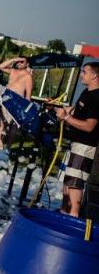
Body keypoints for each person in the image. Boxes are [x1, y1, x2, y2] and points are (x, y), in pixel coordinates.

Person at [56, 62, 99, 217]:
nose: (81, 75)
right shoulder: (86, 92)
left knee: (75, 183)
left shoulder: (97, 97)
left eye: (84, 72)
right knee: (67, 180)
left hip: (85, 146)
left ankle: (73, 216)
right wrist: (62, 110)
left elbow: (89, 126)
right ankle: (63, 212)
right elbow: (76, 112)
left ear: (94, 75)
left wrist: (66, 117)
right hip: (74, 143)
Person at [0, 56, 33, 149]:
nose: (19, 63)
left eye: (22, 62)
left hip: (17, 103)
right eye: (18, 61)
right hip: (6, 100)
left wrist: (25, 109)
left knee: (13, 126)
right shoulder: (13, 71)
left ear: (27, 64)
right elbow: (0, 66)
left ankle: (8, 147)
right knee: (3, 123)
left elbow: (28, 95)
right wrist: (13, 59)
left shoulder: (28, 77)